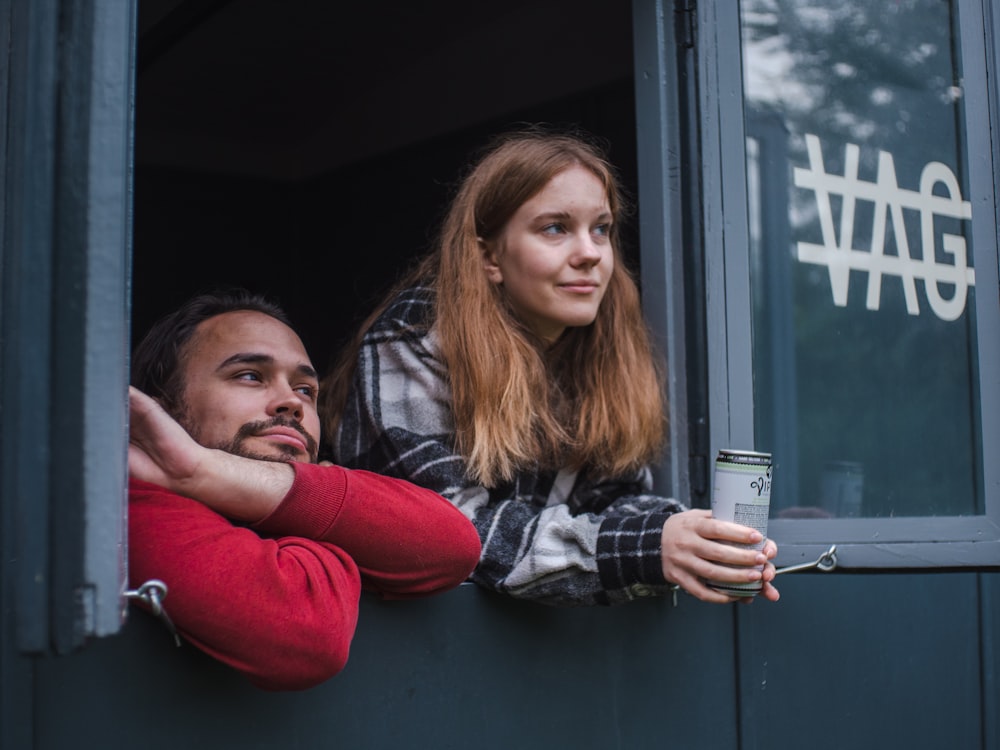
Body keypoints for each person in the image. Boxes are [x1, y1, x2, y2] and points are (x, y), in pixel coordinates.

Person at [323, 128, 779, 607]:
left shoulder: (599, 344)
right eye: (555, 228)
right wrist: (647, 547)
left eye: (600, 228)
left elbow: (611, 498)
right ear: (489, 257)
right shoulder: (416, 336)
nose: (591, 253)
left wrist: (696, 540)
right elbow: (451, 531)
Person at [128, 290, 481, 690]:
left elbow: (455, 545)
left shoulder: (235, 477)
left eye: (305, 390)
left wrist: (200, 469)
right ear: (163, 410)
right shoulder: (129, 501)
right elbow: (307, 634)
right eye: (249, 375)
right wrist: (332, 527)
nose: (291, 403)